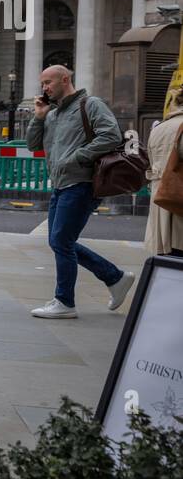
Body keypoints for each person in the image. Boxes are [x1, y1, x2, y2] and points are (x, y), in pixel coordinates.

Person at [26, 65, 134, 319]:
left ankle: (65, 302)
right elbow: (33, 144)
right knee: (59, 241)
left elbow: (111, 135)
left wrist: (77, 158)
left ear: (65, 79)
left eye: (49, 82)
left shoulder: (90, 104)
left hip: (82, 183)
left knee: (61, 241)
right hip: (61, 185)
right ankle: (114, 277)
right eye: (42, 84)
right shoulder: (52, 114)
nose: (45, 88)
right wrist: (39, 116)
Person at [146, 89, 183, 257]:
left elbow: (151, 161)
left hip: (160, 196)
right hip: (179, 198)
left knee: (166, 255)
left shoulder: (159, 128)